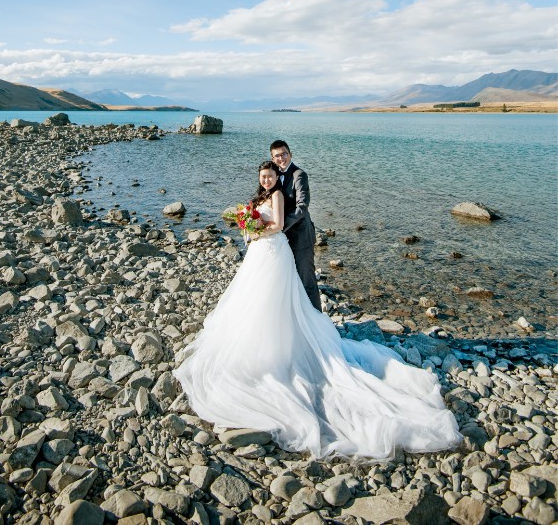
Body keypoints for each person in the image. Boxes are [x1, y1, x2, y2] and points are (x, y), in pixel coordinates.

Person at [174, 161, 461, 460]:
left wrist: (256, 230)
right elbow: (256, 221)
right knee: (255, 297)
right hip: (259, 253)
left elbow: (277, 225)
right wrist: (247, 223)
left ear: (276, 176)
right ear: (260, 178)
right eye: (264, 176)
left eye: (271, 175)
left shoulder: (278, 197)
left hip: (272, 250)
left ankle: (280, 346)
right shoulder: (259, 196)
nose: (268, 179)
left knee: (276, 298)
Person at [270, 139, 321, 311]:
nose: (281, 158)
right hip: (282, 238)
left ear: (290, 154)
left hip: (301, 236)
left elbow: (302, 207)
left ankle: (318, 322)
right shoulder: (273, 176)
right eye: (277, 156)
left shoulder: (299, 175)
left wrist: (280, 225)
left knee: (306, 279)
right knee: (287, 280)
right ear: (272, 158)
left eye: (284, 154)